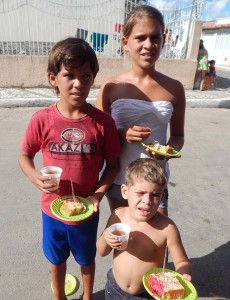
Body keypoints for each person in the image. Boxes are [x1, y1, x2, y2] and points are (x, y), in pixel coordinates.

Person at [18, 37, 121, 300]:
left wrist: (97, 195)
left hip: (86, 210)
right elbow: (24, 155)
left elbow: (113, 165)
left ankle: (87, 296)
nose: (79, 83)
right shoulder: (41, 120)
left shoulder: (103, 123)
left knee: (86, 259)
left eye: (86, 76)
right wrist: (35, 177)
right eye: (69, 75)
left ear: (93, 77)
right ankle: (60, 296)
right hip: (51, 209)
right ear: (53, 78)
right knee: (56, 259)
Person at [96, 5, 185, 216]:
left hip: (156, 182)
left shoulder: (174, 88)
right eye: (140, 38)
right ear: (125, 42)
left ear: (163, 40)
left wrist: (166, 152)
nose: (148, 45)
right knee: (125, 239)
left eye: (155, 37)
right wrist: (121, 134)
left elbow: (178, 136)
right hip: (120, 180)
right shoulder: (111, 86)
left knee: (157, 242)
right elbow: (98, 135)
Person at [97, 158, 192, 300]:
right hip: (114, 288)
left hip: (148, 293)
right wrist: (105, 237)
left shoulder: (167, 228)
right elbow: (102, 251)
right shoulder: (118, 216)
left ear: (162, 197)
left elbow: (182, 261)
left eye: (155, 195)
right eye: (140, 193)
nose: (147, 201)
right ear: (125, 191)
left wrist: (184, 274)